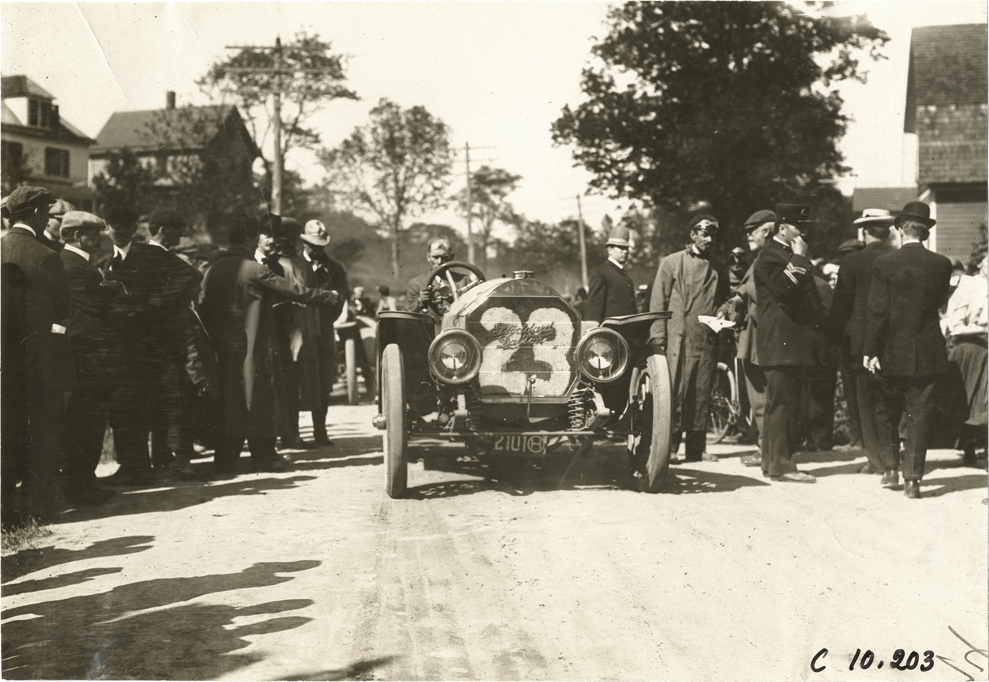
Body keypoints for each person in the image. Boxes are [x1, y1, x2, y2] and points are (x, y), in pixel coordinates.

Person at [199, 217, 339, 474]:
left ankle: (226, 460)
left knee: (231, 402)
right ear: (251, 239)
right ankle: (264, 457)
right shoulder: (255, 269)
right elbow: (296, 291)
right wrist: (329, 297)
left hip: (224, 350)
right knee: (260, 401)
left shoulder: (212, 270)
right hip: (255, 349)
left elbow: (203, 307)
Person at [864, 201, 953, 499]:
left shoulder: (884, 264)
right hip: (928, 351)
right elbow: (941, 302)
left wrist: (870, 350)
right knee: (920, 415)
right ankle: (913, 479)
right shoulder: (942, 264)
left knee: (886, 411)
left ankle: (889, 469)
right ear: (926, 232)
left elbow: (877, 312)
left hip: (891, 352)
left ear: (900, 229)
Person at [1, 186, 75, 526]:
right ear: (33, 214)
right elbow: (63, 310)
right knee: (43, 432)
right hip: (37, 359)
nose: (49, 216)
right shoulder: (44, 255)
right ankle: (41, 508)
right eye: (47, 211)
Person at [753, 204, 826, 483]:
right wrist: (799, 259)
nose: (804, 232)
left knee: (780, 404)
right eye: (799, 227)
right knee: (784, 404)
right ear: (782, 228)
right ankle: (783, 466)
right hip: (781, 342)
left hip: (788, 343)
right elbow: (783, 287)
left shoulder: (781, 254)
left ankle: (772, 464)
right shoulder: (771, 256)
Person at [650, 214, 730, 462]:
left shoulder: (719, 268)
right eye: (704, 234)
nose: (708, 239)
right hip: (678, 340)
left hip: (705, 340)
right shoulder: (673, 263)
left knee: (701, 391)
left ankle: (697, 449)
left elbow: (725, 299)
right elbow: (658, 302)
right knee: (675, 391)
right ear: (692, 234)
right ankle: (671, 448)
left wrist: (724, 311)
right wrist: (658, 337)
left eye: (712, 235)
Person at [830, 209, 902, 482]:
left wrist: (836, 339)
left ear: (864, 231)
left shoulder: (852, 262)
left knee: (865, 402)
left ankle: (876, 460)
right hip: (894, 341)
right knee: (891, 402)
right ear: (887, 230)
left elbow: (840, 307)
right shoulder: (897, 258)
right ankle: (893, 456)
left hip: (858, 343)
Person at [59, 211, 124, 505]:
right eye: (92, 234)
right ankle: (80, 486)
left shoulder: (78, 264)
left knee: (90, 422)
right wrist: (113, 292)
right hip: (88, 357)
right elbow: (93, 309)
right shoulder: (72, 265)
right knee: (87, 422)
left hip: (90, 356)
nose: (98, 240)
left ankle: (84, 482)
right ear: (75, 236)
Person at [719, 209, 775, 467]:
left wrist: (736, 301)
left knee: (760, 398)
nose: (748, 237)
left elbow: (754, 290)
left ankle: (767, 451)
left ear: (766, 231)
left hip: (757, 336)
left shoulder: (767, 258)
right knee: (760, 398)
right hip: (758, 335)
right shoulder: (764, 257)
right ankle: (766, 448)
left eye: (752, 232)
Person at [300, 219, 348, 445]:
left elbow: (341, 298)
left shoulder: (335, 267)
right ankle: (293, 435)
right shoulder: (295, 263)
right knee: (298, 379)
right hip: (299, 330)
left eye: (320, 246)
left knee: (323, 381)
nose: (317, 250)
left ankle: (320, 431)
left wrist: (327, 320)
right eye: (312, 245)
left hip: (324, 329)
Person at [944, 248, 988, 466]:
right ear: (981, 265)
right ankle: (969, 446)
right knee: (970, 401)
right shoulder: (969, 286)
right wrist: (982, 330)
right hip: (973, 348)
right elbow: (955, 325)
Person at [406, 238, 472, 319]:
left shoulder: (464, 280)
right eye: (435, 257)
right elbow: (410, 312)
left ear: (452, 257)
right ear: (428, 257)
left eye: (445, 257)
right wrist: (420, 300)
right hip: (431, 329)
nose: (440, 262)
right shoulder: (416, 283)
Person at [584, 226, 638, 323]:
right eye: (621, 248)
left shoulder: (625, 276)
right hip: (610, 335)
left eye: (626, 248)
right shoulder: (600, 274)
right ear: (610, 250)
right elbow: (593, 312)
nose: (625, 251)